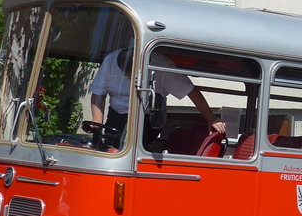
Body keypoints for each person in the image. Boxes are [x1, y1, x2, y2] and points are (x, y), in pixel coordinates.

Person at [89, 46, 226, 144]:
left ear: (143, 64)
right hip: (116, 114)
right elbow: (98, 94)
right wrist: (96, 122)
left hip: (147, 116)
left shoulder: (162, 65)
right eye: (125, 75)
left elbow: (190, 91)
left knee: (136, 148)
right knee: (109, 146)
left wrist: (211, 118)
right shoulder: (110, 60)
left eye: (132, 75)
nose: (129, 78)